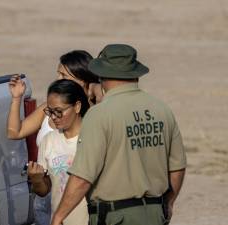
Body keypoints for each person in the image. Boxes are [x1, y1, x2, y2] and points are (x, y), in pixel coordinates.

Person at [50, 44, 187, 225]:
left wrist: (59, 216)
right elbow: (177, 167)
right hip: (154, 213)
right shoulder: (162, 110)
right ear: (135, 74)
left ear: (102, 75)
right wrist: (169, 202)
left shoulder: (99, 115)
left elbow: (83, 176)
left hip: (115, 216)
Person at [7, 50, 101, 225]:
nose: (58, 79)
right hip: (47, 203)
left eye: (64, 75)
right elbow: (15, 132)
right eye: (58, 73)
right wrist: (16, 98)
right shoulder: (48, 111)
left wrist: (93, 88)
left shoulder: (95, 119)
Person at [28, 79, 90, 225]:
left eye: (59, 111)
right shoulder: (48, 140)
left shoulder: (92, 137)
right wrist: (37, 180)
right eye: (50, 111)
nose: (53, 117)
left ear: (77, 106)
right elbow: (45, 189)